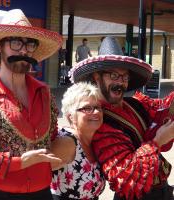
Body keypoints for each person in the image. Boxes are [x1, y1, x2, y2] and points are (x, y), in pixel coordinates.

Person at [69, 36, 174, 200]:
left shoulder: (135, 104)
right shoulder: (98, 120)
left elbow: (163, 109)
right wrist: (158, 141)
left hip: (163, 191)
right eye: (113, 76)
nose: (121, 83)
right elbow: (124, 176)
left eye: (124, 77)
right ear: (97, 77)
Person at [0, 8, 63, 199]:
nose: (24, 50)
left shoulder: (44, 93)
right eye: (16, 43)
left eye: (30, 44)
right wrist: (21, 162)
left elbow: (53, 137)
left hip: (42, 193)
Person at [50, 82, 105, 199]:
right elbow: (34, 175)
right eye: (87, 108)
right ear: (71, 116)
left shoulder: (94, 141)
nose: (96, 112)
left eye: (97, 107)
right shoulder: (67, 143)